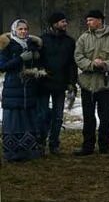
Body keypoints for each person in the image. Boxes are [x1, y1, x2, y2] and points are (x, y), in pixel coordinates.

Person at [74, 10, 109, 155]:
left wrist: (105, 64)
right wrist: (91, 64)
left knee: (105, 116)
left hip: (105, 83)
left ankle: (105, 146)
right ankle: (87, 146)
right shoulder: (83, 38)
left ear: (99, 20)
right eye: (87, 20)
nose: (88, 22)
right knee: (88, 116)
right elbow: (78, 57)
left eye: (90, 20)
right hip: (87, 83)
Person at [0, 19, 44, 161]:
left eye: (25, 29)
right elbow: (2, 66)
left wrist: (37, 61)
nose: (23, 31)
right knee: (13, 120)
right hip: (13, 88)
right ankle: (12, 153)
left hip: (29, 88)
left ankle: (29, 152)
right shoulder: (7, 46)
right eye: (20, 29)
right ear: (14, 30)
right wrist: (19, 58)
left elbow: (39, 64)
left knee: (28, 119)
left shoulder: (33, 45)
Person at [38, 11, 78, 154]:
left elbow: (72, 64)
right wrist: (39, 72)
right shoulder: (42, 40)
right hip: (43, 84)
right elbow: (37, 60)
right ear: (54, 24)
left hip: (61, 84)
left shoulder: (70, 41)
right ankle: (40, 143)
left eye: (65, 21)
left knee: (58, 116)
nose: (65, 24)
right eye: (62, 22)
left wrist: (72, 83)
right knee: (42, 115)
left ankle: (54, 144)